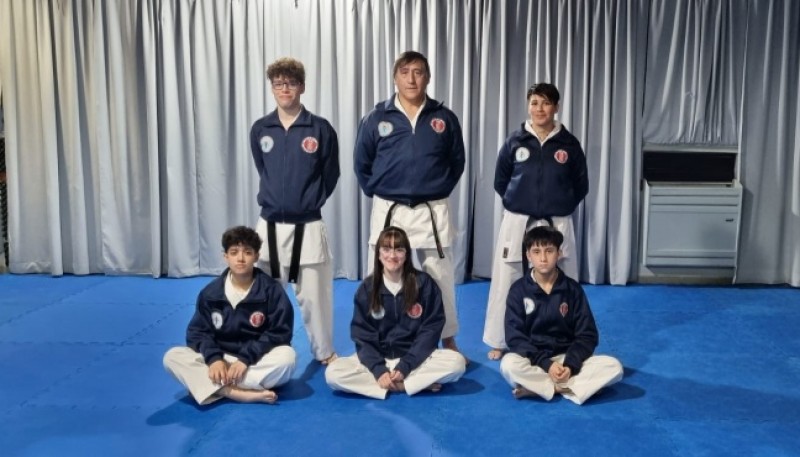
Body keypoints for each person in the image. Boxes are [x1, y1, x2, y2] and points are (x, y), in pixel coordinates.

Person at [354, 50, 466, 355]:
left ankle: (447, 338)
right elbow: (362, 163)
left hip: (432, 208)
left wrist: (436, 187)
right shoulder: (377, 117)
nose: (411, 78)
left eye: (418, 72)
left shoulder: (443, 117)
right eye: (405, 72)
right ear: (395, 77)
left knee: (440, 275)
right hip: (390, 207)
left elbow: (457, 162)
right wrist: (381, 190)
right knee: (379, 274)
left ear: (428, 77)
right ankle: (374, 338)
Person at [484, 82, 589, 360]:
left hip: (557, 220)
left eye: (545, 103)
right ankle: (500, 339)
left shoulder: (569, 144)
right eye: (534, 103)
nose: (539, 109)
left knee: (563, 280)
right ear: (528, 106)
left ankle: (566, 340)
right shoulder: (515, 141)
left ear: (556, 107)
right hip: (519, 219)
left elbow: (581, 185)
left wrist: (560, 204)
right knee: (508, 277)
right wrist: (520, 201)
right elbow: (500, 181)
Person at [249, 57, 340, 365]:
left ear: (302, 86)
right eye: (278, 83)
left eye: (290, 83)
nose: (284, 88)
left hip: (309, 224)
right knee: (267, 295)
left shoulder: (320, 128)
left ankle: (324, 352)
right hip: (270, 225)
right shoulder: (261, 129)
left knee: (315, 297)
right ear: (272, 88)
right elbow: (263, 170)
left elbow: (331, 175)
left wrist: (307, 200)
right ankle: (269, 349)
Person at [325, 226, 467, 399]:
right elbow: (362, 336)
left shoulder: (423, 284)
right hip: (380, 358)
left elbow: (430, 330)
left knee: (457, 363)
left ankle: (396, 384)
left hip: (415, 360)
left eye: (399, 250)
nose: (392, 256)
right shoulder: (367, 289)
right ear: (378, 254)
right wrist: (378, 369)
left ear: (407, 255)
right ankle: (408, 385)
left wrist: (406, 365)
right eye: (386, 249)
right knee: (333, 374)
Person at [163, 226, 296, 405]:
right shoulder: (210, 293)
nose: (240, 259)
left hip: (254, 361)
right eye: (234, 252)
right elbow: (198, 333)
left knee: (287, 359)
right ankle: (234, 392)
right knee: (172, 357)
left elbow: (280, 333)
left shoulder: (272, 291)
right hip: (222, 360)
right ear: (225, 256)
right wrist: (214, 359)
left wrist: (245, 360)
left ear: (256, 256)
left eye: (247, 252)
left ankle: (209, 385)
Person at [500, 226, 622, 405]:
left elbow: (587, 335)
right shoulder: (518, 290)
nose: (543, 258)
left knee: (613, 366)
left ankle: (544, 389)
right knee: (508, 364)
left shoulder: (572, 289)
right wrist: (546, 364)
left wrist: (570, 365)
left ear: (559, 253)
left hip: (567, 359)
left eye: (549, 251)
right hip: (535, 361)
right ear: (528, 256)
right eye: (536, 252)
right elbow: (515, 338)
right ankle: (571, 388)